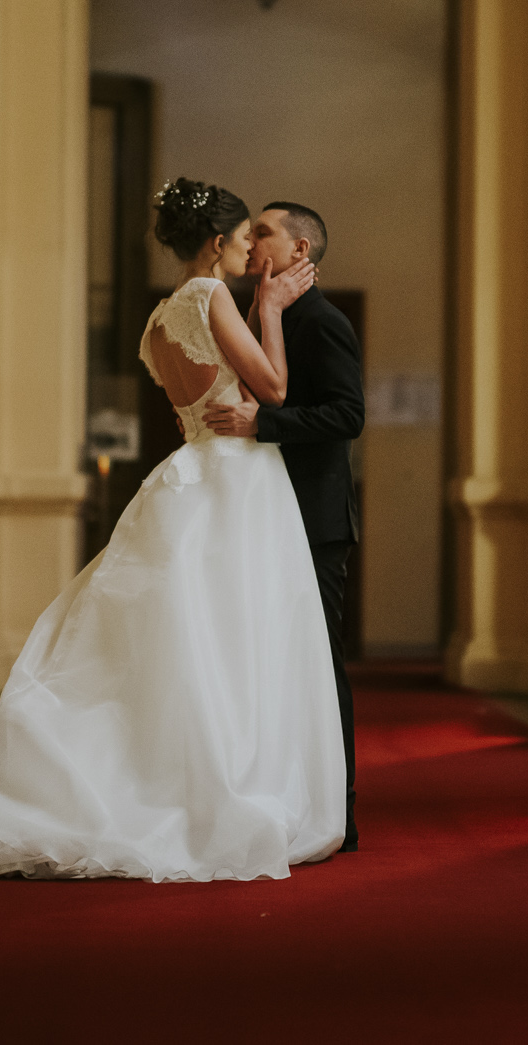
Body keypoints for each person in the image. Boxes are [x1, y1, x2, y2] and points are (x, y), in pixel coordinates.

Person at [0, 178, 344, 881]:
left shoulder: (159, 318)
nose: (254, 248)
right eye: (247, 237)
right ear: (218, 243)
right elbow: (275, 391)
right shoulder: (215, 296)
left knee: (186, 640)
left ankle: (165, 772)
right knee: (229, 638)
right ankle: (216, 779)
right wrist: (272, 308)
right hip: (238, 482)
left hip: (191, 471)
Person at [203, 201, 365, 851]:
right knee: (271, 665)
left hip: (315, 519)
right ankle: (281, 796)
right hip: (263, 514)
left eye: (263, 231)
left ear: (301, 252)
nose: (251, 240)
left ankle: (339, 812)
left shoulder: (322, 323)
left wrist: (261, 424)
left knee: (322, 666)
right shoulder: (258, 316)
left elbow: (347, 414)